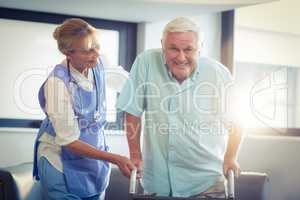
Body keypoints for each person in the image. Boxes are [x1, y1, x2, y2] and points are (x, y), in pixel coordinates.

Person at [117, 17, 241, 198]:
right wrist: (135, 154)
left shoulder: (217, 73)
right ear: (163, 45)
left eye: (188, 49)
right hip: (157, 183)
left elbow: (237, 122)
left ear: (200, 48)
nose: (181, 57)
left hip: (205, 183)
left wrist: (230, 156)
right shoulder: (146, 62)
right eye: (173, 49)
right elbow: (132, 112)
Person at [33, 18, 135, 200]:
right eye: (88, 50)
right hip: (60, 161)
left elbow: (130, 85)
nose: (95, 54)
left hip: (93, 160)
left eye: (96, 47)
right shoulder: (57, 83)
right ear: (67, 52)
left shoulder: (99, 63)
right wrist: (116, 158)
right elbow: (69, 141)